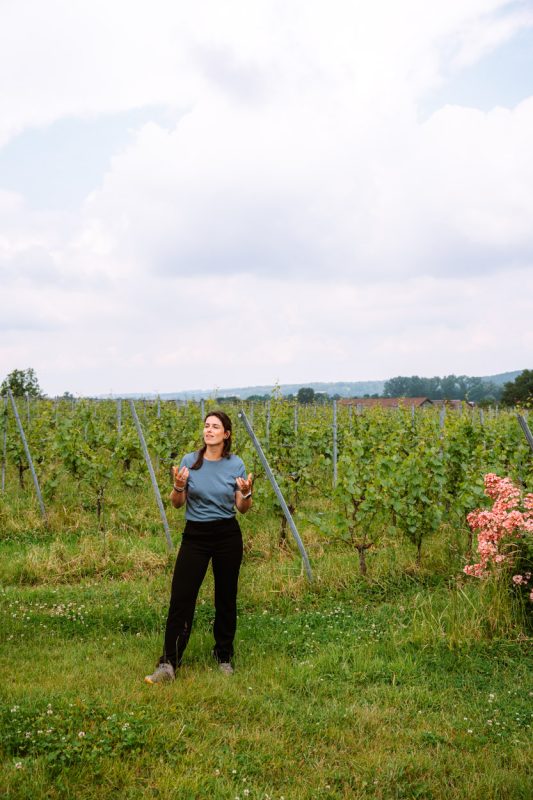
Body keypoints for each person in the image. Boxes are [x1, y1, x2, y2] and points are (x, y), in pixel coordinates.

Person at [145, 410, 253, 683]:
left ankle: (224, 656)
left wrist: (247, 493)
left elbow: (242, 508)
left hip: (227, 534)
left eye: (215, 427)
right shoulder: (189, 462)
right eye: (206, 426)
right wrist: (178, 487)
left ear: (226, 434)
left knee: (225, 598)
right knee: (181, 597)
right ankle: (169, 662)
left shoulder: (235, 464)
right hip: (196, 535)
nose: (209, 430)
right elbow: (177, 503)